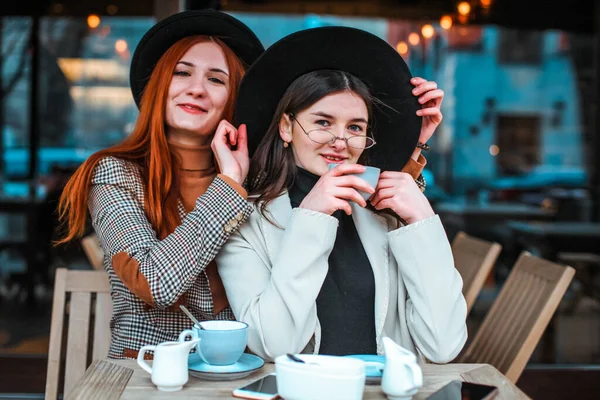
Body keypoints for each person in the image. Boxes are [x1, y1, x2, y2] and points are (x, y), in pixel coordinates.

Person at [216, 26, 467, 364]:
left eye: (355, 127)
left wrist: (423, 219)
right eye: (322, 122)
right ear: (286, 127)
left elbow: (444, 346)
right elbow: (273, 345)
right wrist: (312, 218)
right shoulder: (245, 222)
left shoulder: (386, 215)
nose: (340, 140)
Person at [56, 10, 264, 359]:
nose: (196, 89)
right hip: (148, 373)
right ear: (159, 85)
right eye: (181, 73)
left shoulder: (258, 182)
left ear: (234, 99)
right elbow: (155, 283)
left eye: (216, 79)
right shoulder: (115, 173)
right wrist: (228, 185)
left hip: (240, 371)